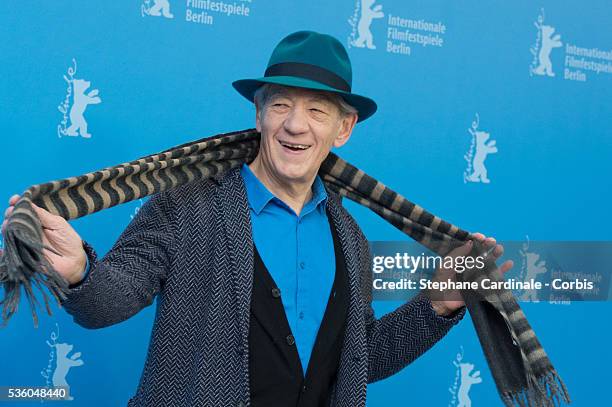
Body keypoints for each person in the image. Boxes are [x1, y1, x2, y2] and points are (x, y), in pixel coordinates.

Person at [2, 31, 512, 407]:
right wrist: (78, 272)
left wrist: (440, 302)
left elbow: (359, 361)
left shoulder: (349, 237)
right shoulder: (187, 204)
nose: (295, 124)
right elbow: (110, 300)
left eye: (318, 110)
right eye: (282, 105)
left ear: (344, 129)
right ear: (259, 113)